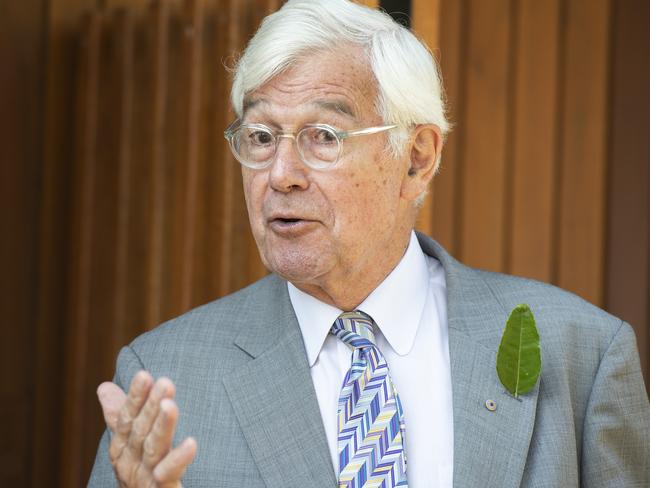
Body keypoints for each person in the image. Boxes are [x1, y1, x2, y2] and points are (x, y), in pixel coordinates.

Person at [88, 0, 650, 486]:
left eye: (324, 137)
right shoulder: (165, 375)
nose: (280, 173)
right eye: (260, 137)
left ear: (416, 159)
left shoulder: (582, 353)